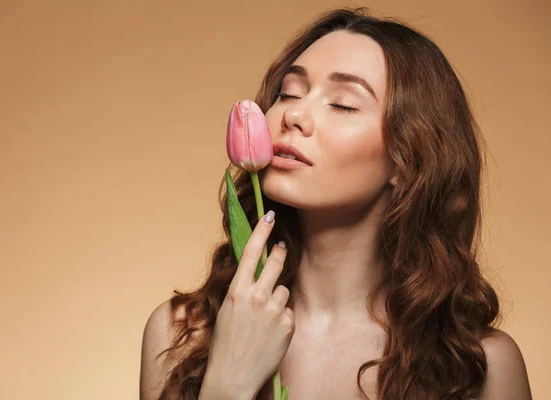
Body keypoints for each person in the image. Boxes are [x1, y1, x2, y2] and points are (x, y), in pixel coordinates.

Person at [140, 6, 532, 400]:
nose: (293, 114)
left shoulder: (480, 365)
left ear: (407, 158)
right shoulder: (181, 336)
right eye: (288, 93)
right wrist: (227, 385)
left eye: (343, 103)